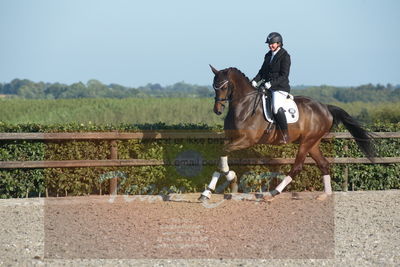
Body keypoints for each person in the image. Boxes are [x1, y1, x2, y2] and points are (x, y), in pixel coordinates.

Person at [252, 32, 291, 143]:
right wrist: (255, 81)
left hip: (280, 88)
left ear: (279, 43)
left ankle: (285, 135)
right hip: (267, 87)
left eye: (272, 44)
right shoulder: (268, 55)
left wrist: (271, 84)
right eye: (269, 44)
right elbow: (262, 72)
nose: (270, 46)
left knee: (275, 107)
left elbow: (284, 75)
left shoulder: (285, 56)